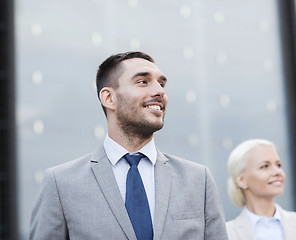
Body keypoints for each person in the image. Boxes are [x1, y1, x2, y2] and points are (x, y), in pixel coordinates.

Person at [30, 51, 228, 240]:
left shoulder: (198, 180)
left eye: (161, 84)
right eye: (142, 82)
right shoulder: (61, 184)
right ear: (109, 98)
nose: (159, 91)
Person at [226, 139, 296, 240]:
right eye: (264, 166)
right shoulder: (226, 234)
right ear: (241, 180)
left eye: (278, 165)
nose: (277, 171)